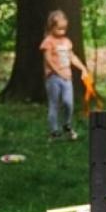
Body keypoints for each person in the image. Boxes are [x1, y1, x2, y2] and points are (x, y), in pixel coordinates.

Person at [39, 9, 88, 140]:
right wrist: (58, 72)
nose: (62, 32)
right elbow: (48, 59)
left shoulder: (66, 41)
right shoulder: (48, 41)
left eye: (64, 29)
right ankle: (54, 131)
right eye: (59, 29)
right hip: (53, 78)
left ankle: (67, 125)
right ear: (51, 27)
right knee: (54, 104)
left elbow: (72, 57)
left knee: (68, 103)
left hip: (67, 77)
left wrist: (82, 68)